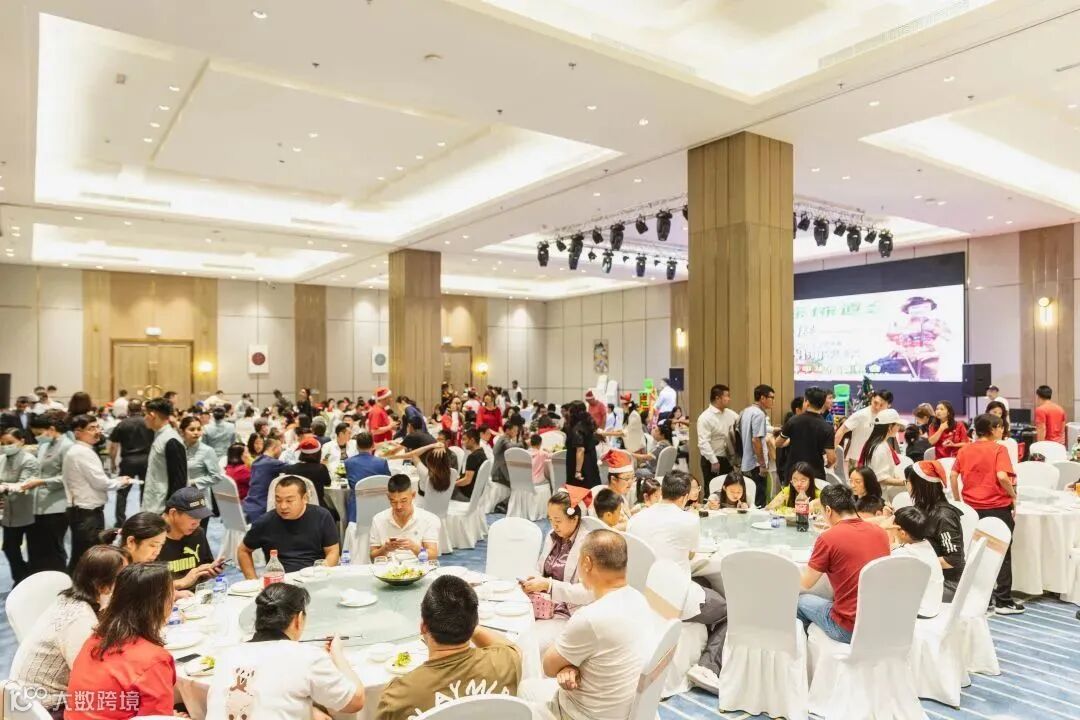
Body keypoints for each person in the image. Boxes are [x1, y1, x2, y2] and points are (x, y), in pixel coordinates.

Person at [626, 473, 728, 691]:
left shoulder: (636, 519)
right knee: (729, 610)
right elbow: (690, 554)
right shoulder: (688, 520)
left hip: (641, 595)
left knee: (703, 581)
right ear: (684, 496)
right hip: (673, 600)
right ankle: (708, 667)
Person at [207, 583, 365, 720]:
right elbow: (355, 701)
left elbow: (265, 695)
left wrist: (310, 710)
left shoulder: (227, 656)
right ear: (298, 619)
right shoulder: (307, 657)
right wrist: (338, 655)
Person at [377, 576, 521, 719]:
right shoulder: (507, 662)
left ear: (423, 627)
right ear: (475, 623)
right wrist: (469, 625)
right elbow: (510, 647)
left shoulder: (398, 697)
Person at [11, 545, 128, 716]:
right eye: (124, 579)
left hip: (26, 700)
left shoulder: (70, 598)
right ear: (102, 586)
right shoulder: (80, 620)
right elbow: (92, 679)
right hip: (46, 707)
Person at [64, 563, 178, 719]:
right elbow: (158, 718)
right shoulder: (155, 659)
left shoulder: (94, 639)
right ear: (159, 603)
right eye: (171, 594)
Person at [797, 484, 890, 643]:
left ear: (828, 510)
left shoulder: (828, 538)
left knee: (799, 601)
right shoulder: (881, 533)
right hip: (879, 623)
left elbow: (806, 583)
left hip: (847, 629)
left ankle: (809, 651)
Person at [950, 413, 1023, 614]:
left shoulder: (965, 449)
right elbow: (1002, 476)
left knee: (976, 553)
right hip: (997, 507)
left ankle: (983, 598)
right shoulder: (999, 449)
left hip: (973, 509)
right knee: (1002, 553)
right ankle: (1003, 601)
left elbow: (953, 475)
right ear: (992, 429)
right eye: (1000, 427)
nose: (1002, 430)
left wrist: (958, 500)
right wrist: (1013, 495)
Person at [62, 415, 132, 571]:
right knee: (88, 557)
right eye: (91, 428)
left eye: (97, 427)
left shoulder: (80, 450)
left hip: (83, 511)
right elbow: (101, 482)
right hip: (87, 513)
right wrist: (121, 482)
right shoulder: (82, 452)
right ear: (78, 432)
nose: (97, 431)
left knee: (82, 555)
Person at [520, 491, 592, 636]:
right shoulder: (553, 535)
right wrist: (533, 580)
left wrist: (549, 585)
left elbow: (588, 592)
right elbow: (540, 568)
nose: (553, 525)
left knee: (529, 639)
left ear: (574, 519)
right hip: (543, 604)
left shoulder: (588, 545)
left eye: (558, 521)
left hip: (567, 611)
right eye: (550, 520)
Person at [239, 475, 340, 576]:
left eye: (289, 501)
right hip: (280, 579)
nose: (283, 506)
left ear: (305, 498)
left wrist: (322, 571)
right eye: (278, 500)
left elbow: (333, 551)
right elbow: (243, 551)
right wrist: (252, 580)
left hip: (314, 575)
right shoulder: (265, 522)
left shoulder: (321, 516)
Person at [906, 461, 965, 600]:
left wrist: (917, 561)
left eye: (907, 482)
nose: (906, 486)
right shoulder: (922, 508)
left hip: (947, 583)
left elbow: (953, 560)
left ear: (919, 485)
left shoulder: (944, 516)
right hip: (928, 576)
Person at [25, 413, 72, 572]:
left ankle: (59, 578)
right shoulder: (44, 445)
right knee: (37, 546)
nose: (37, 437)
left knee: (53, 548)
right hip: (38, 504)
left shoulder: (67, 446)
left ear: (51, 429)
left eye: (39, 433)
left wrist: (42, 482)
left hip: (57, 505)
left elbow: (68, 477)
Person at [158, 487, 223, 590]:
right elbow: (141, 587)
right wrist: (179, 585)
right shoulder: (151, 539)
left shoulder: (197, 533)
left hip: (195, 596)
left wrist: (209, 572)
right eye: (193, 517)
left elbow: (203, 568)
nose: (197, 523)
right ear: (173, 513)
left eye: (200, 518)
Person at [369, 473, 440, 561]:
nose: (398, 506)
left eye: (403, 501)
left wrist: (413, 547)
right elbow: (372, 558)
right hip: (388, 566)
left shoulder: (429, 519)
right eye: (394, 501)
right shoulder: (378, 519)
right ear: (388, 497)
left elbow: (432, 556)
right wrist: (385, 549)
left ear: (413, 495)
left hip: (418, 565)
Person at [1, 427, 39, 585]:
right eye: (2, 443)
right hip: (7, 513)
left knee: (34, 550)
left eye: (10, 442)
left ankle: (26, 578)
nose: (6, 446)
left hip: (27, 511)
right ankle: (21, 577)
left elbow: (24, 485)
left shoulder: (29, 460)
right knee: (9, 548)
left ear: (21, 441)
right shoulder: (1, 459)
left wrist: (4, 487)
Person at [891, 506, 944, 618]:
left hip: (921, 610)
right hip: (932, 605)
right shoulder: (925, 544)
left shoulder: (902, 554)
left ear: (902, 533)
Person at [107, 398, 153, 525]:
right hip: (146, 460)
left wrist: (112, 462)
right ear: (141, 409)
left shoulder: (122, 424)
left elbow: (113, 446)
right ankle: (145, 519)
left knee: (122, 491)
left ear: (128, 409)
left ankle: (120, 521)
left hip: (128, 461)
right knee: (146, 491)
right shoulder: (148, 423)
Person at [775, 385, 835, 482]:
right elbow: (831, 458)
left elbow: (778, 443)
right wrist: (827, 465)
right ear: (823, 403)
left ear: (807, 402)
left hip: (793, 473)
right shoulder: (827, 428)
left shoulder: (793, 421)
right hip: (816, 475)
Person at [141, 397, 186, 514]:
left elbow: (179, 479)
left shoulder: (171, 439)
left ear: (152, 415)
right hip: (155, 502)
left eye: (145, 414)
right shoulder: (160, 435)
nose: (144, 418)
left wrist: (171, 509)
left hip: (163, 506)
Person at [179, 415, 224, 528]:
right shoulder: (178, 448)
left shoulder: (207, 451)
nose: (196, 432)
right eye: (192, 429)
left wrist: (194, 482)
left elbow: (216, 476)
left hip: (200, 502)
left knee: (198, 535)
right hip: (181, 501)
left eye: (199, 429)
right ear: (182, 431)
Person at [282, 436, 336, 520]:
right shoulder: (321, 468)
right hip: (318, 507)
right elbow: (328, 483)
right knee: (335, 513)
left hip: (295, 507)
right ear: (318, 453)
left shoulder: (290, 469)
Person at [342, 432, 391, 523]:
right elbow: (388, 482)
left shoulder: (348, 462)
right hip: (379, 505)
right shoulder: (382, 462)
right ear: (373, 445)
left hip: (356, 507)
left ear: (357, 446)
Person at [739, 384, 774, 507]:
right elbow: (756, 440)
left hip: (746, 462)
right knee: (759, 503)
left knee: (749, 501)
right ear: (762, 398)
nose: (773, 401)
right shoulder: (759, 414)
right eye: (771, 397)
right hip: (756, 465)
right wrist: (762, 464)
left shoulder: (745, 411)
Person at [697, 384, 739, 480]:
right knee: (712, 487)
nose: (729, 399)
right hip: (712, 460)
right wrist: (714, 461)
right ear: (717, 398)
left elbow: (743, 422)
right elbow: (703, 442)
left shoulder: (730, 413)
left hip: (728, 459)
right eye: (727, 396)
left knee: (729, 486)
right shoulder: (705, 417)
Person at [834, 390, 891, 461]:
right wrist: (833, 451)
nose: (877, 407)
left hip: (875, 459)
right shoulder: (861, 415)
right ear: (872, 399)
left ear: (888, 405)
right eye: (875, 403)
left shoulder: (887, 418)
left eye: (882, 405)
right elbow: (841, 431)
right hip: (857, 459)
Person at [242, 435, 287, 524]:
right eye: (280, 448)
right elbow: (295, 469)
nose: (281, 451)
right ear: (274, 448)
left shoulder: (256, 461)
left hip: (248, 505)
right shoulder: (273, 463)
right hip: (262, 508)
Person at [857, 409, 906, 487]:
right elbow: (882, 479)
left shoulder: (877, 444)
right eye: (897, 425)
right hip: (880, 492)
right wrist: (906, 483)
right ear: (890, 427)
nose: (899, 428)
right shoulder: (880, 448)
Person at [101, 511, 167, 564]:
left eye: (161, 545)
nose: (157, 552)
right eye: (153, 545)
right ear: (131, 541)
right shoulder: (108, 569)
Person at [565, 401, 600, 491]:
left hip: (581, 466)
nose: (567, 413)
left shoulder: (577, 428)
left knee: (579, 492)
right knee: (591, 489)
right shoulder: (588, 423)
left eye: (569, 410)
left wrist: (578, 471)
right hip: (591, 462)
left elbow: (580, 449)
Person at [490, 415, 526, 488]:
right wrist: (522, 443)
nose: (516, 433)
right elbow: (510, 447)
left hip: (502, 471)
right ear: (507, 430)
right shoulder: (504, 438)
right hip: (499, 473)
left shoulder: (506, 438)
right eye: (515, 431)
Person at [458, 428, 488, 502]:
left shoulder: (472, 457)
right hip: (477, 494)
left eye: (464, 439)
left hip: (467, 494)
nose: (462, 442)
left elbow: (467, 480)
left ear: (472, 440)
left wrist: (452, 484)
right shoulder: (482, 453)